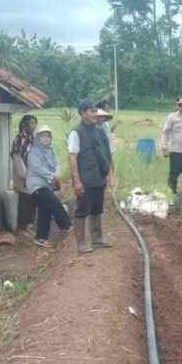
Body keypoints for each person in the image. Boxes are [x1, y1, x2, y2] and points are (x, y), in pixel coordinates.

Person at [68, 99, 114, 253]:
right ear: (83, 113)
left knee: (97, 208)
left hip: (98, 177)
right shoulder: (76, 132)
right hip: (85, 179)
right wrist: (77, 181)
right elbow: (72, 158)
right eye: (92, 111)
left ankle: (97, 237)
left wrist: (109, 173)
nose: (96, 114)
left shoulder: (100, 131)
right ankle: (81, 242)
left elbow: (106, 154)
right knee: (82, 210)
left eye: (96, 111)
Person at [26, 125, 74, 247]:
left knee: (45, 210)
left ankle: (41, 238)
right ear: (38, 138)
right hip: (36, 186)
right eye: (43, 136)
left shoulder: (50, 150)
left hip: (46, 185)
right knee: (54, 203)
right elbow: (37, 168)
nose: (45, 138)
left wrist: (57, 174)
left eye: (48, 136)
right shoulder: (33, 152)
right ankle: (66, 226)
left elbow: (57, 163)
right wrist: (52, 176)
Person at [10, 114, 38, 238]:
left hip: (32, 174)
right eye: (31, 123)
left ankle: (28, 226)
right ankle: (21, 228)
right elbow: (17, 159)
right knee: (24, 201)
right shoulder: (19, 139)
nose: (34, 125)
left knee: (32, 200)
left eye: (35, 123)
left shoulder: (32, 138)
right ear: (25, 124)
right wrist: (23, 177)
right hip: (23, 175)